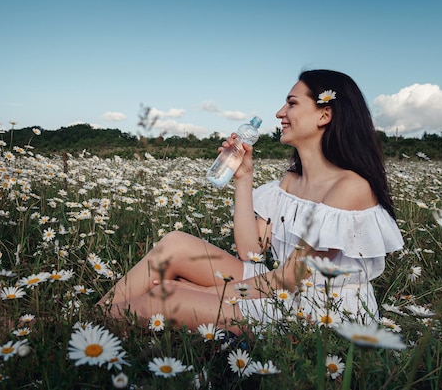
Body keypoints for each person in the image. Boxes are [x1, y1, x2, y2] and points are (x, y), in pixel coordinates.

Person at [98, 69, 404, 334]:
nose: (280, 112)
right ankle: (94, 317)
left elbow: (290, 278)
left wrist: (202, 291)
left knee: (167, 299)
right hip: (283, 289)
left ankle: (87, 328)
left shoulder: (350, 187)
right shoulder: (292, 181)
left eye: (292, 103)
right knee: (176, 244)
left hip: (321, 311)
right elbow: (251, 252)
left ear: (324, 115)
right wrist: (244, 177)